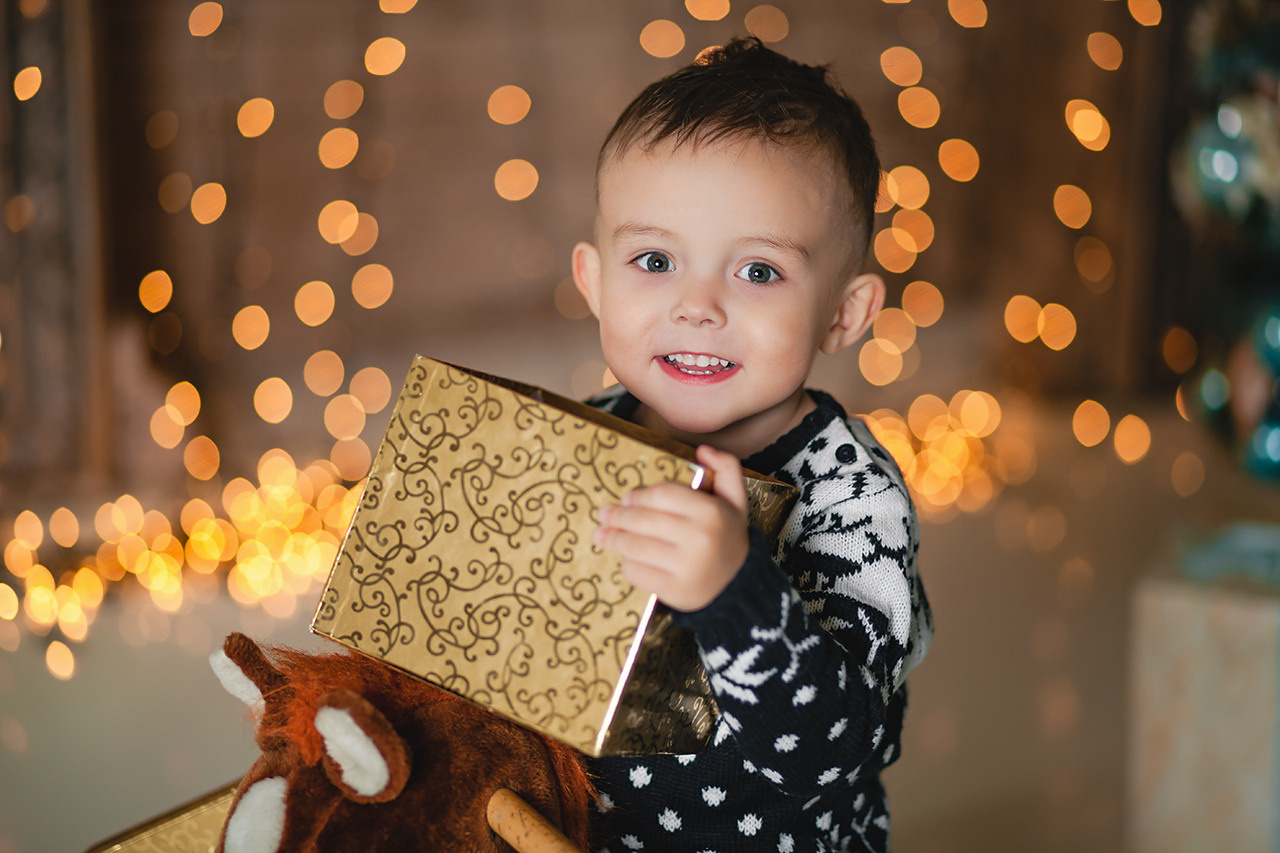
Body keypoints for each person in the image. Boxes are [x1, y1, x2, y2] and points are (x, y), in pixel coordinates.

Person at [570, 37, 934, 852]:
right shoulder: (576, 439)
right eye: (655, 259)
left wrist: (733, 594)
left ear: (843, 313)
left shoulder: (853, 497)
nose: (697, 305)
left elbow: (828, 752)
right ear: (595, 281)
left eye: (759, 272)